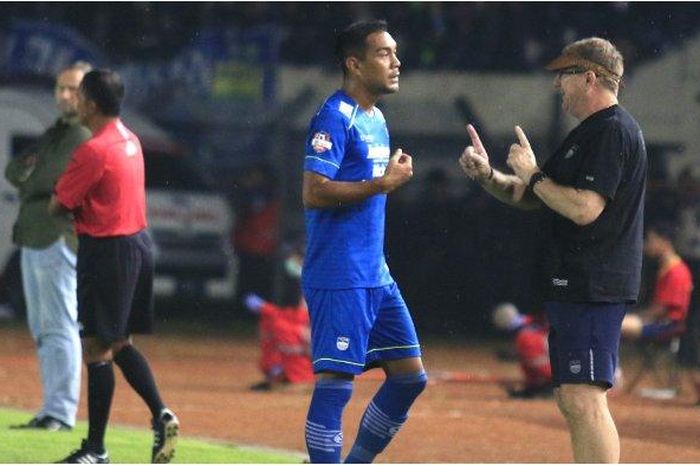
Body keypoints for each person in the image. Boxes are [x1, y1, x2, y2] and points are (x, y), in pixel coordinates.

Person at [459, 37, 647, 463]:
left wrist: (535, 175)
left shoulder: (612, 131)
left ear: (590, 77)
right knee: (572, 397)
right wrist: (489, 175)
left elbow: (583, 209)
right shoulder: (590, 134)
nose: (557, 85)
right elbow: (531, 195)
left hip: (593, 286)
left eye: (564, 75)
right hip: (575, 286)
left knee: (584, 399)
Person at [301, 20, 427, 464]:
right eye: (383, 54)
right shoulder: (335, 117)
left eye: (394, 52)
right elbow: (314, 191)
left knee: (410, 378)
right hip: (339, 274)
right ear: (354, 63)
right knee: (336, 384)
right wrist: (380, 184)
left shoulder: (376, 118)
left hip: (374, 274)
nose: (396, 62)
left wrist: (382, 182)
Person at [48, 69, 179, 464]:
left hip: (106, 250)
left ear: (90, 102)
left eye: (78, 95)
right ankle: (161, 414)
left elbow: (58, 205)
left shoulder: (93, 149)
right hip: (138, 245)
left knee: (96, 347)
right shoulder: (130, 140)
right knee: (119, 341)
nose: (73, 101)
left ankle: (95, 449)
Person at [5, 62, 93, 432]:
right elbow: (14, 170)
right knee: (43, 326)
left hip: (59, 236)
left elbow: (43, 177)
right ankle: (51, 408)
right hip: (35, 233)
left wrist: (34, 178)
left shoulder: (81, 134)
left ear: (90, 94)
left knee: (59, 325)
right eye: (60, 88)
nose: (64, 96)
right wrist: (34, 178)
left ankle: (61, 411)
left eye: (73, 89)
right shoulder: (59, 131)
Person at [620, 221, 698, 400]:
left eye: (651, 240)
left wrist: (639, 317)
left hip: (668, 325)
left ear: (665, 241)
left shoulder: (676, 270)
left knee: (613, 326)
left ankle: (613, 376)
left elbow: (663, 310)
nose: (648, 245)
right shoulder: (666, 267)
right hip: (662, 321)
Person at [244, 248, 314, 391]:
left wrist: (264, 308)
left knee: (284, 331)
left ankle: (298, 379)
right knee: (274, 332)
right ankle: (281, 375)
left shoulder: (311, 280)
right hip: (298, 325)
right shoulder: (295, 280)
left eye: (295, 260)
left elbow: (296, 315)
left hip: (305, 330)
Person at [491, 303, 553, 399]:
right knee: (527, 360)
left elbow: (537, 363)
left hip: (559, 369)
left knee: (529, 361)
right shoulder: (530, 322)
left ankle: (549, 387)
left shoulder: (524, 336)